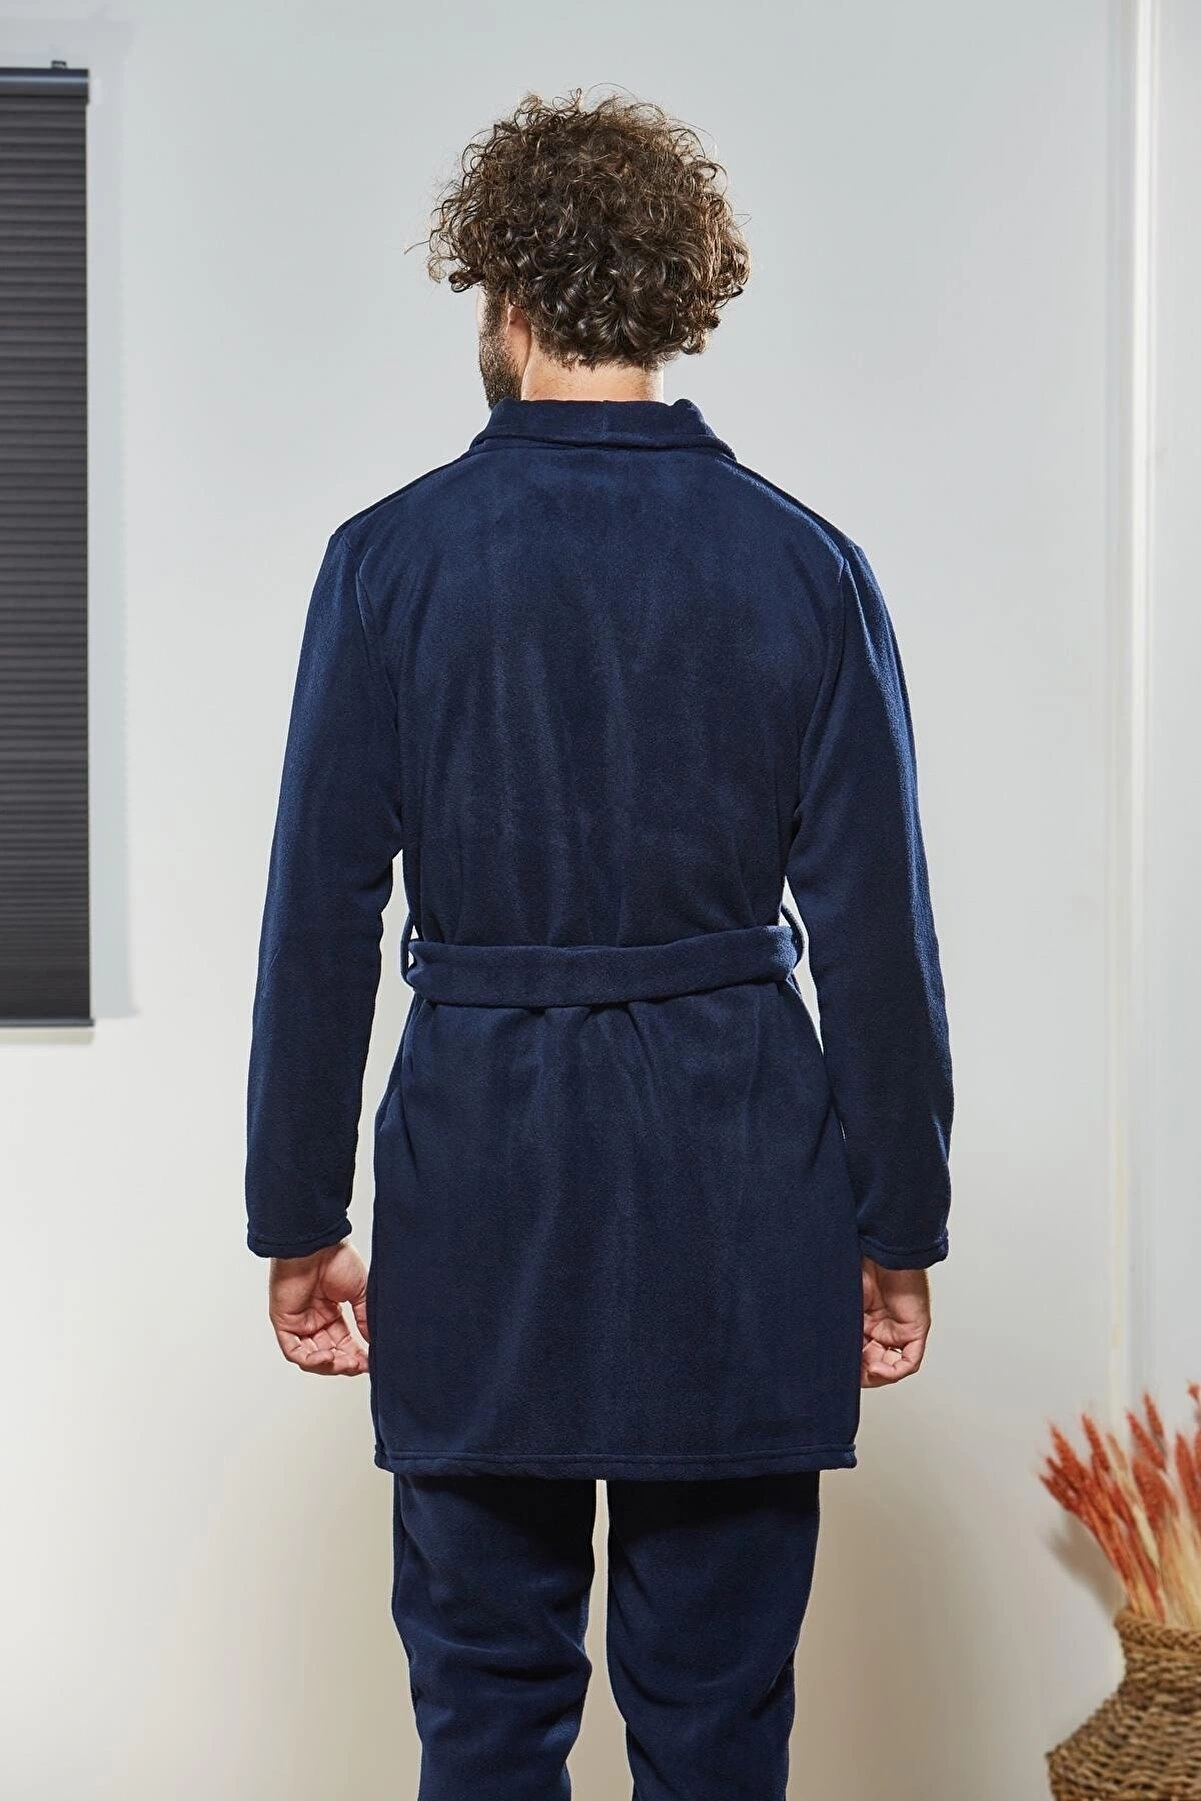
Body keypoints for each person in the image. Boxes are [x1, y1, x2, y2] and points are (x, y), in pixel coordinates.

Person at [245, 87, 954, 1800]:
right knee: (718, 1726)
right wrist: (898, 1227)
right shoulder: (808, 568)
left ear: (502, 288)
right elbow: (878, 936)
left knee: (485, 1719)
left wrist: (297, 1217)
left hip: (481, 1181)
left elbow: (321, 918)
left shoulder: (387, 563)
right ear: (679, 296)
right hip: (741, 1190)